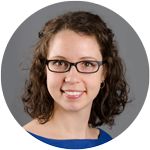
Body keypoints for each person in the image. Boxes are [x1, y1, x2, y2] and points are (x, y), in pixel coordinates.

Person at [22, 11, 129, 149]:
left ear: (104, 73)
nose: (72, 78)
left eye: (87, 64)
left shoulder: (107, 141)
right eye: (59, 62)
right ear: (44, 69)